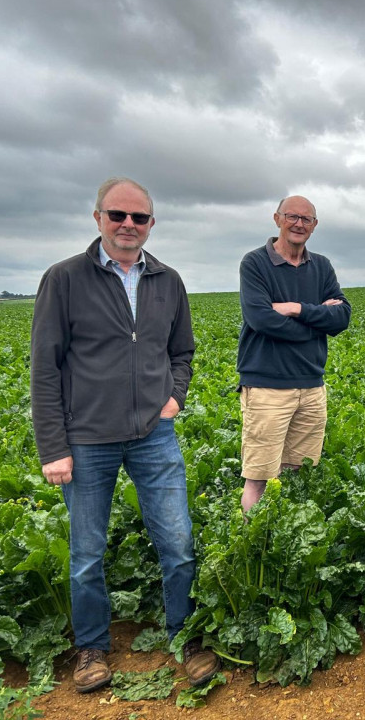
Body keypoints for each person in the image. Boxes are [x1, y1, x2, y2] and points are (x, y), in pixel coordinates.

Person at [30, 177, 220, 693]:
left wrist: (174, 396)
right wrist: (53, 447)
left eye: (139, 218)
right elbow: (45, 369)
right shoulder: (64, 279)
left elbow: (182, 351)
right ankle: (91, 647)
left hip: (153, 434)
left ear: (151, 224)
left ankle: (187, 635)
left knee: (177, 541)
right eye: (118, 215)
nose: (128, 225)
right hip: (86, 438)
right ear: (98, 218)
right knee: (87, 552)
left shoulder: (167, 280)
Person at [236, 195, 351, 512]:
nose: (299, 223)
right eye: (292, 216)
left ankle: (285, 537)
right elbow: (261, 319)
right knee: (258, 478)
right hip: (267, 388)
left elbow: (342, 317)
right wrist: (316, 323)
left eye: (307, 219)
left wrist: (295, 309)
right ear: (277, 219)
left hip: (312, 387)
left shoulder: (322, 266)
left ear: (314, 226)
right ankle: (254, 545)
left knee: (300, 473)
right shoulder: (255, 263)